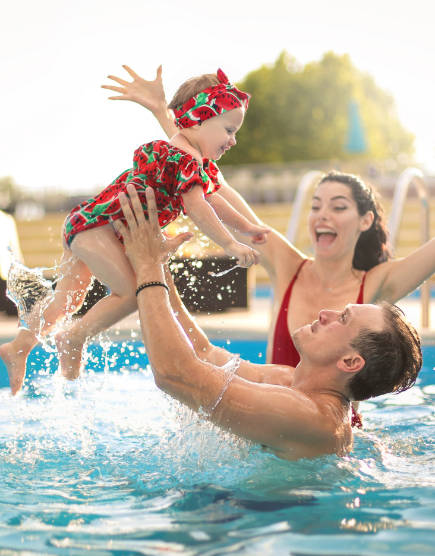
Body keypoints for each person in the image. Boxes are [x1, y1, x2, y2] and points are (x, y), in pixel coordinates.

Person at [104, 65, 435, 425]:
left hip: (299, 424)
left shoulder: (376, 287)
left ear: (366, 221)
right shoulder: (283, 371)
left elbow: (177, 375)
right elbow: (208, 182)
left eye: (338, 207)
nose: (322, 216)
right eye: (315, 206)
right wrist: (167, 116)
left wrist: (149, 266)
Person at [0, 68, 269, 394]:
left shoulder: (189, 159)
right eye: (228, 129)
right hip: (99, 228)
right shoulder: (182, 158)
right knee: (131, 294)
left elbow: (213, 199)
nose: (233, 139)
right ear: (198, 120)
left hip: (88, 224)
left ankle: (19, 347)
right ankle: (72, 338)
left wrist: (248, 226)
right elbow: (200, 208)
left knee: (68, 299)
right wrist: (230, 243)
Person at [113, 184, 422, 460]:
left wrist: (147, 266)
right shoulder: (290, 382)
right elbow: (204, 355)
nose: (326, 313)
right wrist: (157, 263)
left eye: (342, 318)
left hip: (267, 517)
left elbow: (175, 375)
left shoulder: (310, 417)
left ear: (351, 361)